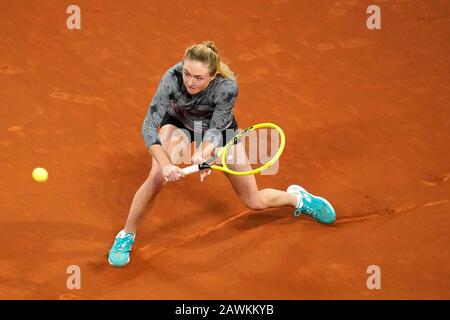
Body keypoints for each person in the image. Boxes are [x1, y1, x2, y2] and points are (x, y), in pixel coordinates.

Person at [108, 41, 336, 267]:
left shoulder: (227, 87)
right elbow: (149, 126)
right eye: (187, 73)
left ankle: (298, 198)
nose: (189, 82)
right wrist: (166, 164)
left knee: (254, 201)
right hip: (179, 122)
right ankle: (126, 235)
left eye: (198, 78)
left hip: (218, 131)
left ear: (213, 75)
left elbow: (216, 131)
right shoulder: (172, 78)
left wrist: (205, 153)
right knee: (157, 178)